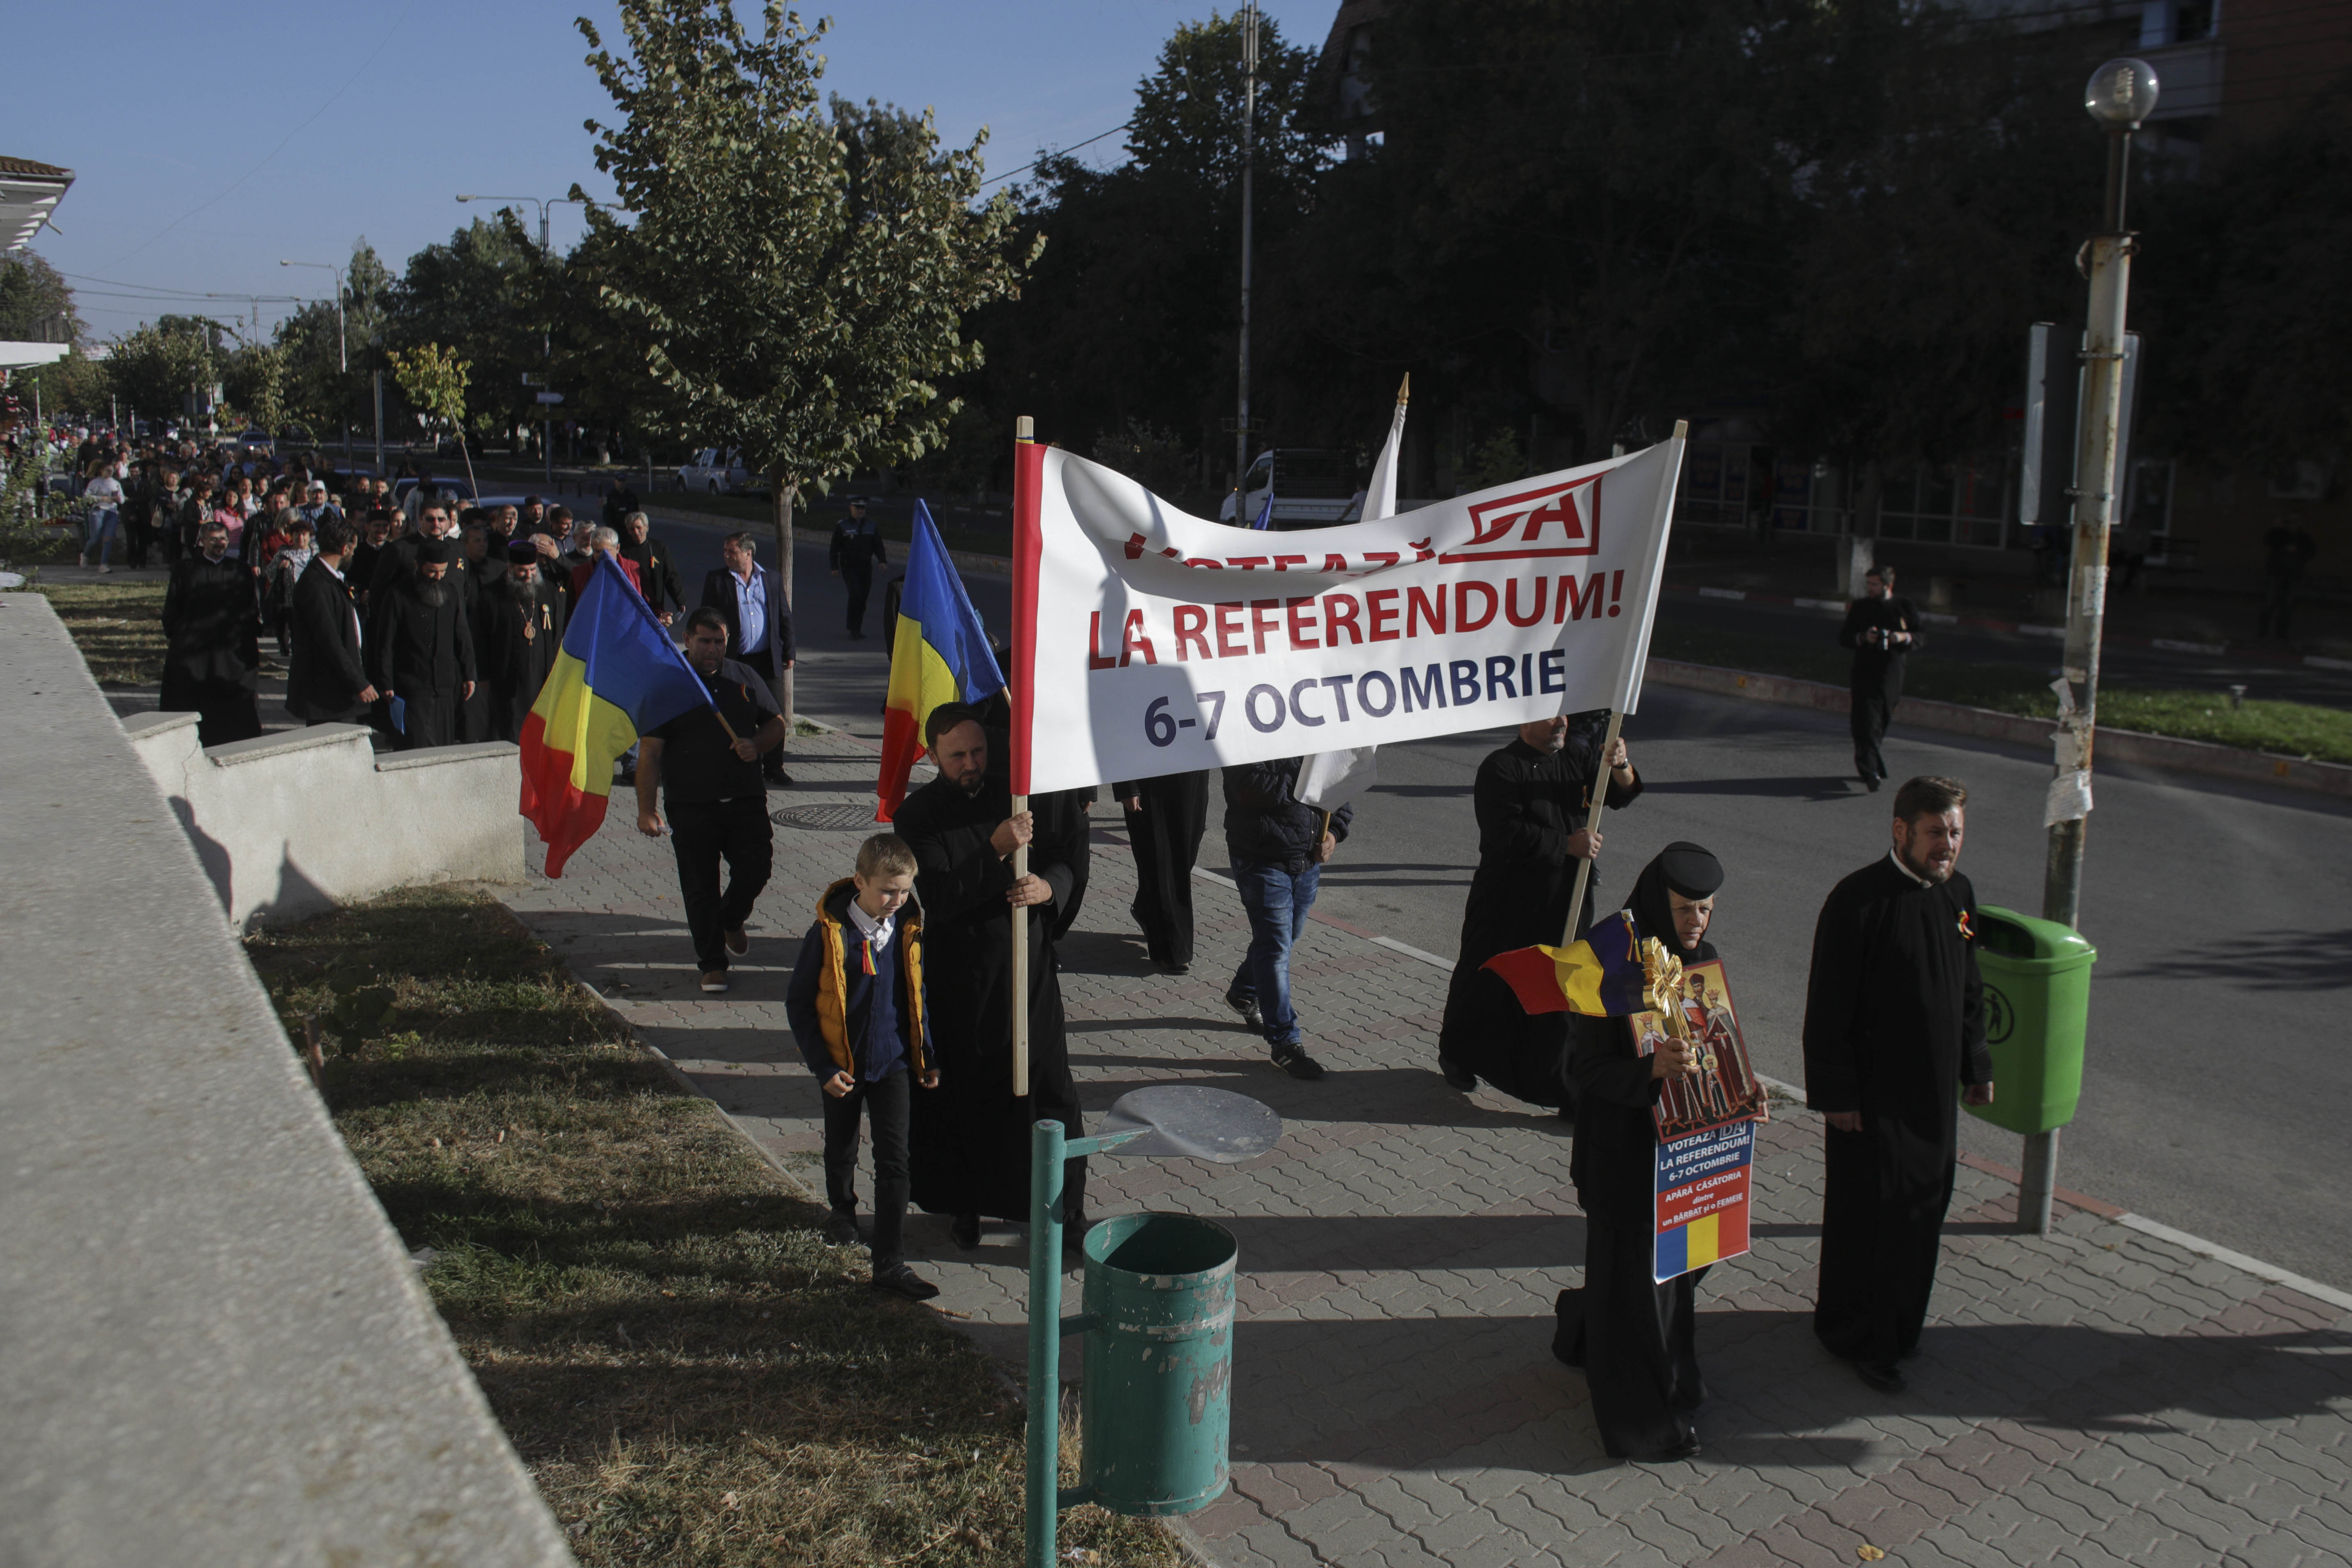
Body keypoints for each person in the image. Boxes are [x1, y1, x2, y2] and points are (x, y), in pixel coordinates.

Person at [1803, 775, 1994, 1394]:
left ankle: (1902, 1328)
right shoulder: (1858, 901)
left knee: (1922, 1212)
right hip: (1872, 1102)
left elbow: (1969, 987)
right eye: (1936, 832)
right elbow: (1827, 1008)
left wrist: (1977, 1066)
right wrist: (1837, 1097)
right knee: (1872, 1221)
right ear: (1901, 831)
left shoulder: (1958, 894)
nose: (1948, 845)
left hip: (1933, 1099)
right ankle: (1860, 1337)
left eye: (1956, 832)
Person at [896, 702, 1091, 1251]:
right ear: (934, 757)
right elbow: (940, 897)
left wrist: (1048, 888)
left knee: (1049, 1089)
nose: (971, 764)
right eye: (957, 755)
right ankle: (967, 1206)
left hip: (1028, 968)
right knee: (967, 1094)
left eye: (978, 751)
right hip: (961, 978)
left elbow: (1066, 854)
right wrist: (996, 849)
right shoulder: (917, 815)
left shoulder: (1020, 795)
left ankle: (1065, 1210)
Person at [1555, 842, 1726, 1462]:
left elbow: (1718, 1047)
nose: (1695, 922)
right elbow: (1582, 1071)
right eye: (1683, 909)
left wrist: (1743, 1094)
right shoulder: (1609, 962)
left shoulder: (1700, 960)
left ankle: (1591, 1335)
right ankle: (1645, 1423)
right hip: (1622, 1159)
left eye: (1705, 909)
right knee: (1638, 1292)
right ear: (1658, 901)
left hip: (1684, 1158)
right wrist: (1649, 1069)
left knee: (1672, 1277)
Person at [1438, 715, 1642, 1105]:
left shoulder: (1577, 757)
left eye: (1564, 713)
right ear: (1525, 722)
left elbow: (1620, 794)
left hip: (1567, 897)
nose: (1562, 722)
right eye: (1552, 715)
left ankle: (1554, 1078)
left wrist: (1620, 765)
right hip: (1507, 898)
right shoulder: (1500, 767)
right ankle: (1458, 1054)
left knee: (1559, 984)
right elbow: (1504, 832)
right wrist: (1567, 845)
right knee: (1486, 979)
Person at [785, 832, 942, 1302]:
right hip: (843, 1066)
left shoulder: (908, 930)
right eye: (887, 890)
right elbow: (799, 1004)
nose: (897, 901)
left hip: (893, 1063)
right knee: (843, 1144)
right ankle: (843, 1210)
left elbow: (917, 996)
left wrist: (926, 1055)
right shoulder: (829, 934)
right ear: (860, 882)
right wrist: (823, 1066)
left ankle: (889, 1261)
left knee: (896, 1160)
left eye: (905, 891)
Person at [633, 608, 789, 993]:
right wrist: (646, 810)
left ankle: (731, 919)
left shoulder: (744, 677)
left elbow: (777, 722)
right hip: (691, 805)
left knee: (757, 868)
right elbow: (650, 753)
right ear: (687, 640)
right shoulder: (667, 685)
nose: (712, 649)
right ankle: (712, 964)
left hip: (745, 799)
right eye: (704, 641)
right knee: (700, 887)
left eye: (719, 642)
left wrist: (757, 744)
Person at [1222, 756, 1353, 1081]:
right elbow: (1248, 787)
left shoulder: (1318, 740)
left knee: (1284, 939)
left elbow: (1339, 789)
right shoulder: (1247, 736)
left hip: (1306, 861)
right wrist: (1308, 773)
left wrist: (1334, 833)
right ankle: (1285, 1042)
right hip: (1261, 860)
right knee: (1275, 949)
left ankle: (1243, 992)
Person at [698, 531, 795, 785]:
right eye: (725, 551)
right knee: (736, 712)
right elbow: (707, 618)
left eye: (732, 552)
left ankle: (774, 767)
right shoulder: (718, 580)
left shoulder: (771, 578)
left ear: (748, 553)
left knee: (775, 713)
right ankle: (736, 763)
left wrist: (789, 651)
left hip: (767, 660)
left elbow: (783, 616)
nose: (726, 556)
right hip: (735, 660)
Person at [367, 536, 477, 750]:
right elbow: (385, 643)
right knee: (416, 746)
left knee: (442, 748)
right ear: (418, 566)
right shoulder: (398, 595)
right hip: (411, 687)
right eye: (432, 572)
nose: (438, 577)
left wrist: (469, 674)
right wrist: (386, 682)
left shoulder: (451, 593)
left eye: (443, 572)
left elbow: (462, 635)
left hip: (444, 686)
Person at [160, 520, 262, 745]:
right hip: (194, 650)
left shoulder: (239, 570)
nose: (219, 544)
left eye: (223, 539)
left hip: (229, 651)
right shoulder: (185, 570)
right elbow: (173, 608)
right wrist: (180, 636)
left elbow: (251, 608)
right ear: (202, 541)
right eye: (213, 539)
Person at [1114, 769, 1211, 973]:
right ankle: (1171, 952)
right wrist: (1127, 786)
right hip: (1150, 778)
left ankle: (1146, 907)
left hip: (1193, 773)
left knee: (1187, 852)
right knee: (1160, 861)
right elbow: (1117, 746)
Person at [284, 514, 376, 726]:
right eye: (353, 550)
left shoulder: (331, 578)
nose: (353, 555)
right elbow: (329, 640)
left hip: (337, 689)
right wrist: (359, 683)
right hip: (326, 692)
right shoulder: (316, 584)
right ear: (345, 549)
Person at [1839, 565, 1919, 792]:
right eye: (1869, 584)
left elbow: (1921, 635)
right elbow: (1845, 637)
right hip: (1865, 671)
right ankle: (1870, 771)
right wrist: (1864, 637)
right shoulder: (1861, 607)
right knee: (1865, 721)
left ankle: (1871, 763)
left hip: (1892, 673)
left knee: (1882, 719)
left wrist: (1901, 637)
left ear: (1888, 585)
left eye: (1875, 584)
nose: (1870, 588)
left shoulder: (1904, 606)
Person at [475, 540, 565, 743]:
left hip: (540, 674)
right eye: (522, 571)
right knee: (510, 728)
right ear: (510, 568)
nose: (528, 575)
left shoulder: (547, 591)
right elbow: (481, 638)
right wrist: (484, 675)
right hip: (507, 676)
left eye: (532, 570)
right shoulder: (491, 595)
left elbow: (556, 633)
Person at [829, 495, 887, 638]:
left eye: (863, 509)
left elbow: (878, 545)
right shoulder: (843, 526)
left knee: (863, 598)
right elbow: (835, 548)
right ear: (851, 508)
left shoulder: (871, 526)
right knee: (855, 594)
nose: (860, 511)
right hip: (849, 567)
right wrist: (834, 567)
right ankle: (853, 627)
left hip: (865, 568)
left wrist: (882, 561)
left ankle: (858, 628)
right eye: (858, 508)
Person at [263, 516, 317, 661]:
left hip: (310, 594)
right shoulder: (283, 554)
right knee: (288, 623)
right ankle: (287, 648)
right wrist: (280, 568)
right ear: (292, 536)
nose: (301, 538)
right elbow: (269, 572)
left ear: (310, 536)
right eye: (297, 534)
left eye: (304, 534)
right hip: (288, 595)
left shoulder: (316, 555)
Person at [617, 510, 684, 625]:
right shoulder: (623, 551)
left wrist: (680, 601)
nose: (636, 532)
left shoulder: (659, 548)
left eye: (639, 528)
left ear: (647, 527)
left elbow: (671, 576)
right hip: (631, 605)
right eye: (632, 529)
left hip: (655, 605)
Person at [2256, 518, 2318, 642]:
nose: (2294, 525)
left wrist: (2299, 553)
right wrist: (2275, 529)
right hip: (2277, 573)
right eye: (2292, 522)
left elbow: (2311, 553)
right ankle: (2263, 633)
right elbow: (2268, 541)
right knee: (2270, 603)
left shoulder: (2303, 538)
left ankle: (2281, 634)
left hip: (2293, 575)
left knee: (2287, 606)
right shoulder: (2280, 535)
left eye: (2297, 522)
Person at [569, 525, 643, 600]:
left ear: (617, 548)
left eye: (607, 551)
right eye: (598, 551)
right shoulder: (579, 574)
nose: (603, 555)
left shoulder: (634, 569)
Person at [79, 460, 125, 572]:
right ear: (101, 471)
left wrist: (119, 499)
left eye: (112, 471)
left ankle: (103, 564)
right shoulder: (95, 483)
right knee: (95, 539)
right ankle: (85, 555)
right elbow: (87, 497)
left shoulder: (116, 483)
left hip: (112, 512)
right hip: (99, 510)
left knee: (108, 538)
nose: (110, 473)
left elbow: (122, 498)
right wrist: (101, 499)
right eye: (108, 471)